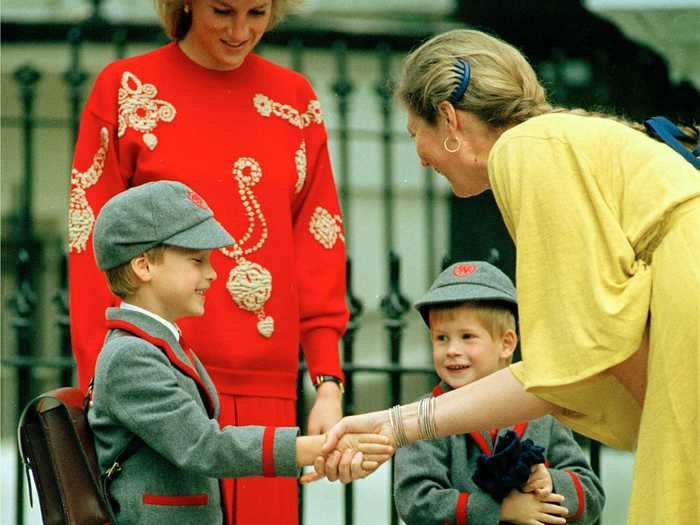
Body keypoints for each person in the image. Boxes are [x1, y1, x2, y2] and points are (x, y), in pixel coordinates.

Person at [317, 29, 700, 524]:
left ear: (449, 118)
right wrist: (395, 423)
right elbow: (574, 365)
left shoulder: (524, 151)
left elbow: (580, 361)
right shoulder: (555, 139)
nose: (420, 156)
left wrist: (397, 424)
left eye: (417, 133)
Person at [68, 1, 348, 522]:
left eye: (257, 12)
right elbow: (92, 247)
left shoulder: (294, 100)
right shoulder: (125, 88)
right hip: (162, 385)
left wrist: (327, 381)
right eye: (222, 10)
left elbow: (319, 240)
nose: (241, 31)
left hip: (267, 384)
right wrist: (97, 390)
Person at [87, 181, 391, 524]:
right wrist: (314, 448)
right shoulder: (132, 356)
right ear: (143, 267)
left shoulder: (155, 342)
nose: (213, 273)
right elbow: (203, 446)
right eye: (196, 260)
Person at [394, 261, 604, 525]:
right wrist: (499, 509)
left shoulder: (540, 410)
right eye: (441, 338)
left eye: (467, 336)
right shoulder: (424, 418)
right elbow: (414, 501)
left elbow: (592, 495)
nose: (451, 350)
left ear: (506, 344)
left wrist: (551, 481)